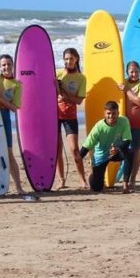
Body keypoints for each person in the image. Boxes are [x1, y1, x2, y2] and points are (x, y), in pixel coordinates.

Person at [0, 54, 27, 196]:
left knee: (8, 152)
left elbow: (14, 108)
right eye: (3, 65)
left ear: (13, 65)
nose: (6, 67)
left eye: (9, 64)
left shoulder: (17, 84)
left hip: (4, 117)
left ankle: (18, 186)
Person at [79, 101, 133, 193]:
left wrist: (117, 149)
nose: (111, 116)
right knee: (97, 188)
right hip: (101, 156)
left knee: (130, 153)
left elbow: (127, 141)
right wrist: (78, 158)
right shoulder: (99, 127)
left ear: (118, 113)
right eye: (108, 113)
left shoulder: (124, 121)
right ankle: (93, 176)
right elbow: (86, 147)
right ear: (104, 113)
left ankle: (125, 184)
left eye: (114, 113)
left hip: (116, 152)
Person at [55, 47, 89, 189]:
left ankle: (82, 179)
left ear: (76, 59)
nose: (69, 61)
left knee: (74, 149)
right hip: (55, 115)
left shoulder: (81, 78)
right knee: (57, 150)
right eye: (66, 59)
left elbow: (79, 101)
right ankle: (61, 180)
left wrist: (63, 91)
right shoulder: (57, 74)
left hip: (70, 116)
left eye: (71, 59)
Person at [118, 61, 140, 191]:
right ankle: (125, 178)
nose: (134, 74)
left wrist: (126, 90)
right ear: (127, 72)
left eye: (136, 71)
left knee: (135, 150)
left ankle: (133, 179)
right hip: (125, 124)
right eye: (131, 71)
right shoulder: (123, 83)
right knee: (125, 151)